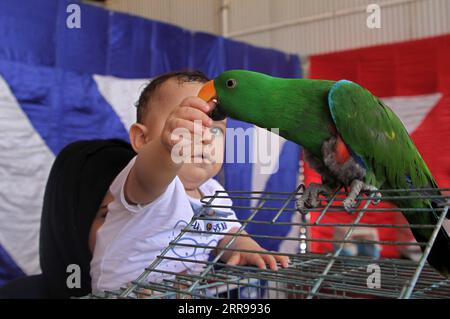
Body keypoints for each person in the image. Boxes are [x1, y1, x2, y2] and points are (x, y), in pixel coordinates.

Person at [90, 71, 290, 294]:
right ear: (142, 139)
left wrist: (250, 249)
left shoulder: (214, 192)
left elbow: (228, 234)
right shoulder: (148, 182)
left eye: (215, 129)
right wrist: (169, 147)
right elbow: (153, 169)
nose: (205, 137)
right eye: (187, 125)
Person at [0, 139, 135, 298]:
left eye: (138, 212)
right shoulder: (20, 295)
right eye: (107, 215)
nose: (131, 227)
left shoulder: (164, 288)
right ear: (72, 222)